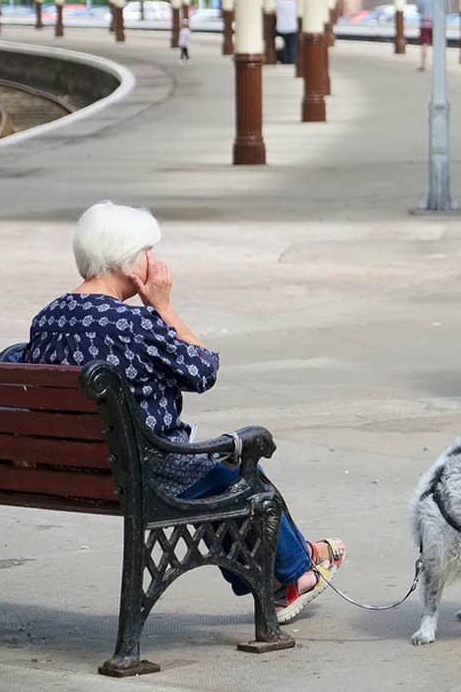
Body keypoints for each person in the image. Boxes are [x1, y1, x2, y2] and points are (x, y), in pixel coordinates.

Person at [20, 201, 345, 623]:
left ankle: (291, 568)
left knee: (216, 473)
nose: (155, 260)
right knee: (235, 471)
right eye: (148, 251)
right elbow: (203, 369)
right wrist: (164, 306)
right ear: (127, 261)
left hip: (69, 470)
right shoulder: (134, 324)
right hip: (146, 473)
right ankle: (295, 573)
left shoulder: (46, 318)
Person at [274, 0, 299, 65]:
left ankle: (285, 60)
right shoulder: (294, 2)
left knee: (284, 45)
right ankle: (291, 61)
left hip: (281, 27)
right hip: (292, 27)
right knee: (292, 45)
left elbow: (274, 12)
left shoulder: (278, 1)